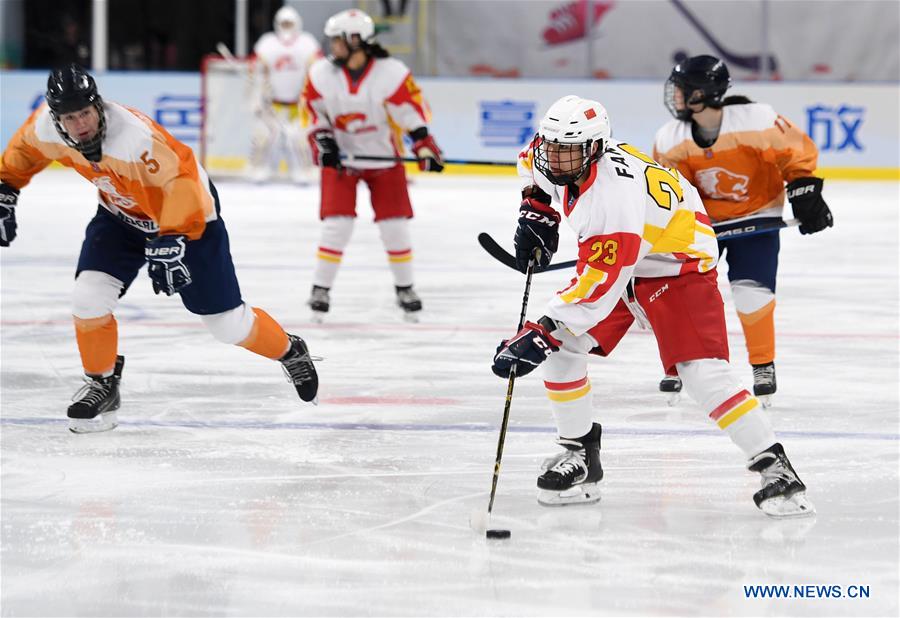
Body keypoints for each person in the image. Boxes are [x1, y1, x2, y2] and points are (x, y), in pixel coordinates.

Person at [491, 95, 814, 518]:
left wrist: (542, 331)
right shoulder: (553, 153)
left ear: (594, 150)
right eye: (551, 147)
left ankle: (776, 469)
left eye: (566, 152)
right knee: (564, 348)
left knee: (701, 373)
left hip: (679, 267)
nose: (555, 159)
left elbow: (597, 285)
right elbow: (529, 163)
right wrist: (536, 206)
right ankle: (580, 457)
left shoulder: (613, 199)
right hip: (632, 258)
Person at [0, 64, 319, 434]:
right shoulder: (44, 127)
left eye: (85, 113)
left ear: (98, 106)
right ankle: (103, 383)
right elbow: (20, 154)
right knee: (88, 297)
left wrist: (172, 236)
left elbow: (182, 181)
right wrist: (5, 190)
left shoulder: (136, 137)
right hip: (120, 216)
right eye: (70, 118)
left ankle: (290, 350)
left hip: (189, 218)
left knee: (227, 325)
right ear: (57, 118)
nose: (81, 125)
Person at [653, 55, 833, 406]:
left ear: (702, 93)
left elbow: (796, 152)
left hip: (758, 218)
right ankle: (679, 361)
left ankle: (763, 363)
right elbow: (672, 191)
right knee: (679, 292)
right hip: (704, 228)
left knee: (753, 293)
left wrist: (805, 189)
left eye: (682, 90)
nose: (675, 96)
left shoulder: (757, 120)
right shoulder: (669, 138)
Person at [301, 8, 443, 322]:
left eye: (338, 41)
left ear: (357, 40)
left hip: (384, 159)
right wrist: (323, 141)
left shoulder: (390, 73)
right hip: (342, 160)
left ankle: (405, 288)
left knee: (395, 227)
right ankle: (320, 288)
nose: (332, 47)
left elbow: (411, 114)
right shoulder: (320, 74)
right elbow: (313, 114)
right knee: (337, 225)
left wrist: (423, 144)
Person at [250, 5, 321, 183]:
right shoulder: (267, 42)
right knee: (264, 136)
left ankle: (303, 170)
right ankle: (260, 168)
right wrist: (258, 95)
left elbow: (316, 66)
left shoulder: (307, 42)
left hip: (299, 103)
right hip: (273, 103)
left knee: (299, 138)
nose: (287, 27)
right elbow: (258, 67)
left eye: (290, 23)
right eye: (284, 23)